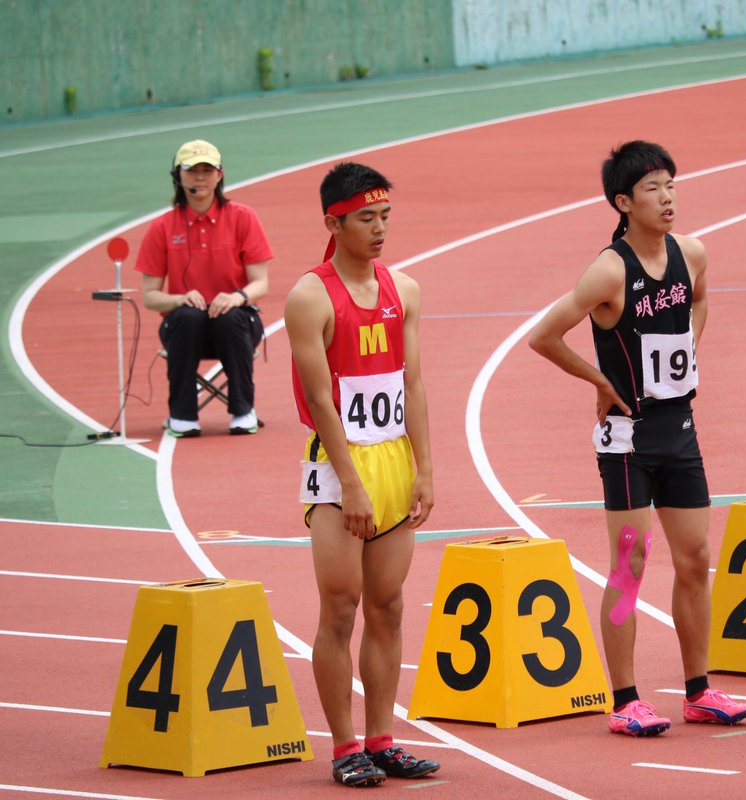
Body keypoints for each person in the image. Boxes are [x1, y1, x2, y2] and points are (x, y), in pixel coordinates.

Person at [529, 140, 746, 736]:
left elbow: (699, 300)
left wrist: (690, 345)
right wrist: (600, 381)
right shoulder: (610, 269)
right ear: (623, 202)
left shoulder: (691, 254)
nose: (667, 197)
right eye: (653, 189)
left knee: (696, 558)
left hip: (679, 428)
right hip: (627, 438)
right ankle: (625, 698)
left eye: (671, 185)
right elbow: (544, 336)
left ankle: (699, 690)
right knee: (631, 561)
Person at [284, 162, 438, 785]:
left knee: (390, 605)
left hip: (394, 458)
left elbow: (414, 382)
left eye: (385, 217)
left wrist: (425, 468)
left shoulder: (407, 289)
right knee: (340, 608)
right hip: (337, 464)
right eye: (365, 219)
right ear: (334, 222)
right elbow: (320, 401)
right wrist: (349, 482)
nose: (379, 230)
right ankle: (345, 748)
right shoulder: (310, 297)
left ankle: (382, 739)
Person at [135, 139, 271, 437]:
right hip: (185, 329)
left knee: (229, 317)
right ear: (177, 175)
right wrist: (180, 298)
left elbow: (261, 282)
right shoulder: (162, 227)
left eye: (207, 169)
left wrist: (238, 297)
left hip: (237, 324)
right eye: (192, 170)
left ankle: (243, 410)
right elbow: (149, 297)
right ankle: (182, 416)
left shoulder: (242, 217)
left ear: (219, 174)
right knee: (188, 316)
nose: (200, 177)